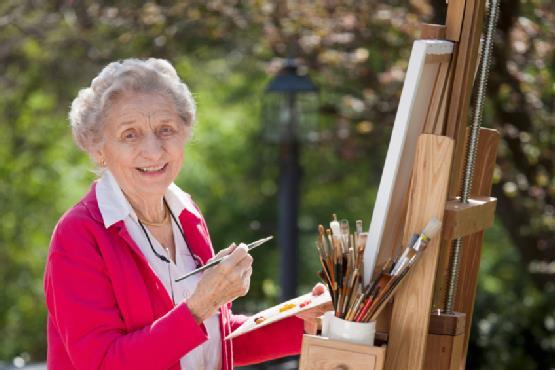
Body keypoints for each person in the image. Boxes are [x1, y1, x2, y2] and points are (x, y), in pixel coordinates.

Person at [44, 58, 331, 370]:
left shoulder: (186, 213)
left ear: (185, 133)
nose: (153, 151)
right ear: (98, 147)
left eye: (166, 129)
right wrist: (201, 305)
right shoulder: (79, 234)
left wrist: (301, 320)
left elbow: (205, 340)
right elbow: (105, 363)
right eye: (130, 134)